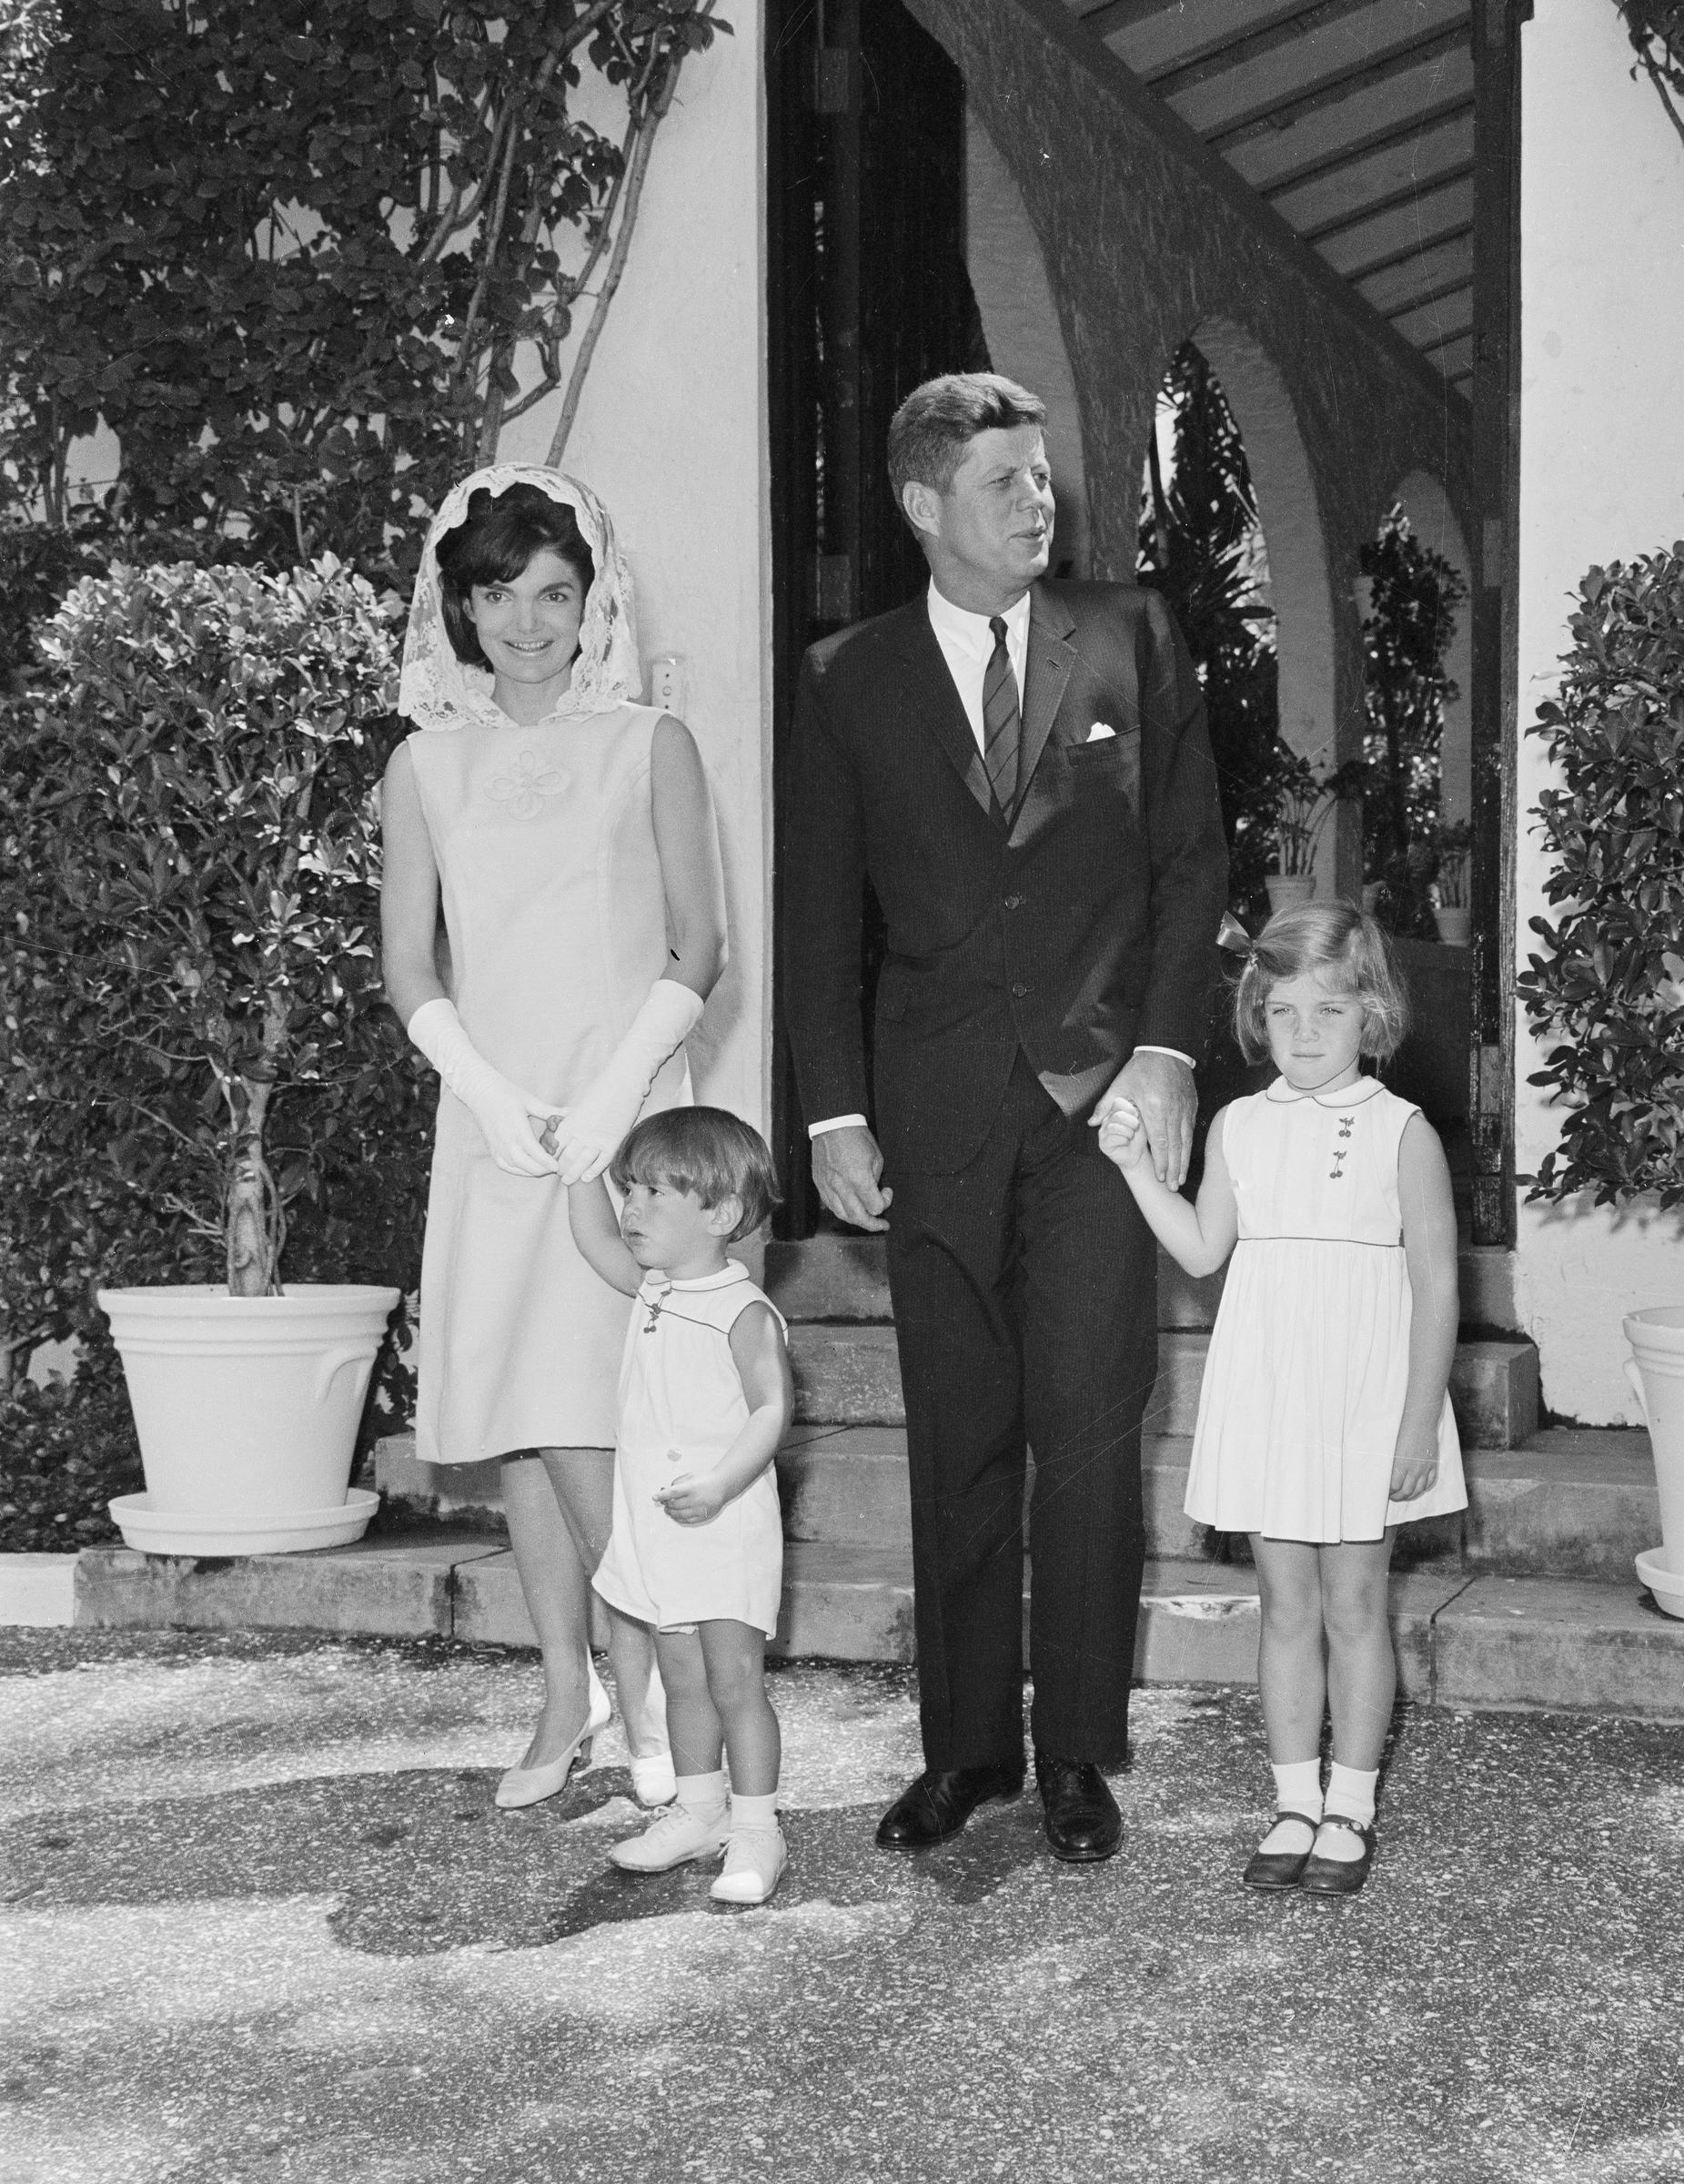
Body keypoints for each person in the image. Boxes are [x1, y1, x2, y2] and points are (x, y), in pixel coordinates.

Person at [781, 372, 1229, 1864]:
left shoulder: (1134, 639)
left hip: (1101, 1108)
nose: (1038, 504)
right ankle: (967, 1748)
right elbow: (817, 918)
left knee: (1093, 1439)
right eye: (1003, 485)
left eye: (1042, 479)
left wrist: (1166, 1053)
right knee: (960, 1436)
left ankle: (1077, 1757)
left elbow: (1188, 870)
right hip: (933, 1111)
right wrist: (834, 1112)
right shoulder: (847, 678)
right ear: (923, 505)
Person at [381, 465, 727, 1813]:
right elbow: (412, 965)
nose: (526, 621)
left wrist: (607, 1103)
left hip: (617, 1118)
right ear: (457, 609)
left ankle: (650, 1699)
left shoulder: (651, 742)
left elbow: (698, 942)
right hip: (490, 1121)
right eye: (496, 595)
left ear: (593, 601)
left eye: (553, 593)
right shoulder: (425, 764)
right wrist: (476, 1085)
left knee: (601, 1415)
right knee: (524, 1423)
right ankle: (562, 1694)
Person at [1097, 901, 1467, 1897]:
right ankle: (1294, 1797)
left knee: (1357, 1604)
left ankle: (1352, 1803)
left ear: (1372, 1016)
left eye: (1331, 1011)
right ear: (1258, 1016)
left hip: (1363, 1395)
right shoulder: (1238, 1126)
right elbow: (1203, 1250)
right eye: (1286, 1010)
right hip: (1269, 1388)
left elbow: (1438, 1288)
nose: (1306, 1032)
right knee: (1283, 1604)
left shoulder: (1402, 1132)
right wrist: (1137, 1170)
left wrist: (1415, 1421)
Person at [567, 1107, 795, 1906]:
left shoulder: (743, 1311)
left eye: (655, 1192)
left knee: (734, 1681)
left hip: (722, 1524)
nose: (631, 1208)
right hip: (661, 1526)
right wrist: (580, 1167)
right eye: (630, 1188)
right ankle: (698, 1811)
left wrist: (722, 1482)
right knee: (681, 1677)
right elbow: (595, 1241)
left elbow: (770, 1409)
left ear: (721, 1215)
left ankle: (757, 1828)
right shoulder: (656, 1288)